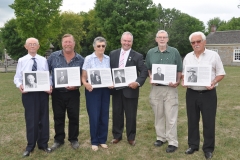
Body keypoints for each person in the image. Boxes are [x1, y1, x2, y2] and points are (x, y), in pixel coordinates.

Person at [181, 31, 225, 160]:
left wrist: (214, 82)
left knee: (209, 122)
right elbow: (185, 74)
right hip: (192, 93)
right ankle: (193, 145)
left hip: (208, 94)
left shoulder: (213, 55)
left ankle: (208, 148)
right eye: (193, 42)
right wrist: (184, 81)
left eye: (198, 41)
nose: (196, 44)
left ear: (204, 42)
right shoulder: (188, 57)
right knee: (192, 120)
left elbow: (221, 73)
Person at [145, 30, 183, 153]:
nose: (162, 39)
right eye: (159, 37)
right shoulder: (151, 52)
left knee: (171, 115)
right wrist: (151, 77)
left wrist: (177, 81)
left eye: (164, 37)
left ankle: (172, 141)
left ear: (168, 39)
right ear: (156, 39)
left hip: (170, 89)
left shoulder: (174, 52)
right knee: (158, 114)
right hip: (156, 89)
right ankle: (160, 138)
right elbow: (148, 69)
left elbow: (179, 69)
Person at [14, 37, 52, 157]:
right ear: (26, 46)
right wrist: (19, 85)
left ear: (38, 46)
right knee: (31, 119)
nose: (32, 46)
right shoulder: (21, 60)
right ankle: (30, 146)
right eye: (30, 44)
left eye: (34, 44)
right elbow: (17, 77)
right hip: (28, 94)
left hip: (42, 93)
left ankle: (43, 144)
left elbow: (47, 76)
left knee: (44, 119)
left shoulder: (43, 60)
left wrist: (50, 86)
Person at [109, 31, 148, 146]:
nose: (126, 43)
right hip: (116, 89)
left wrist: (138, 82)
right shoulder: (113, 54)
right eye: (125, 40)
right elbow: (109, 70)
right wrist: (109, 81)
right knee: (116, 113)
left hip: (131, 90)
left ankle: (131, 137)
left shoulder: (138, 56)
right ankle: (117, 135)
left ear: (132, 42)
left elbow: (144, 71)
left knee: (131, 115)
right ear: (121, 41)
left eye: (129, 41)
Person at [47, 34, 84, 151]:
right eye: (65, 42)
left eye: (70, 42)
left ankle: (73, 139)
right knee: (58, 116)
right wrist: (48, 84)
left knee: (74, 116)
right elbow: (45, 72)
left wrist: (78, 85)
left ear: (74, 43)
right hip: (57, 93)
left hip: (73, 93)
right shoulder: (53, 56)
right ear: (62, 43)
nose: (67, 44)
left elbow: (84, 77)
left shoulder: (81, 59)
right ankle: (58, 140)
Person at [82, 37, 112, 151]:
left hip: (105, 90)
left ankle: (102, 140)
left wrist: (111, 82)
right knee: (94, 116)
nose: (101, 48)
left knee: (104, 115)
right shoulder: (88, 59)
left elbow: (110, 75)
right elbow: (84, 77)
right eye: (98, 46)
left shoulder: (108, 58)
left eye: (103, 46)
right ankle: (94, 141)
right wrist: (86, 84)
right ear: (94, 47)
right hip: (92, 91)